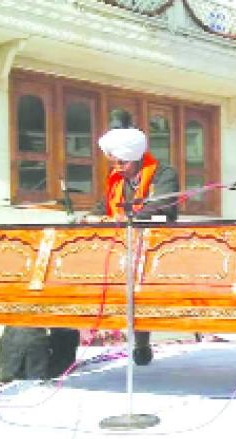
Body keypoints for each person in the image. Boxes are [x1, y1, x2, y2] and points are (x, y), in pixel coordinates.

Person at [93, 127, 181, 365]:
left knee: (143, 295)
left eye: (121, 163)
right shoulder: (118, 180)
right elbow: (105, 206)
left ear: (136, 158)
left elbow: (162, 206)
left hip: (156, 245)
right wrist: (91, 217)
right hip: (123, 244)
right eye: (114, 163)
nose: (117, 168)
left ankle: (142, 344)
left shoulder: (164, 174)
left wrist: (129, 218)